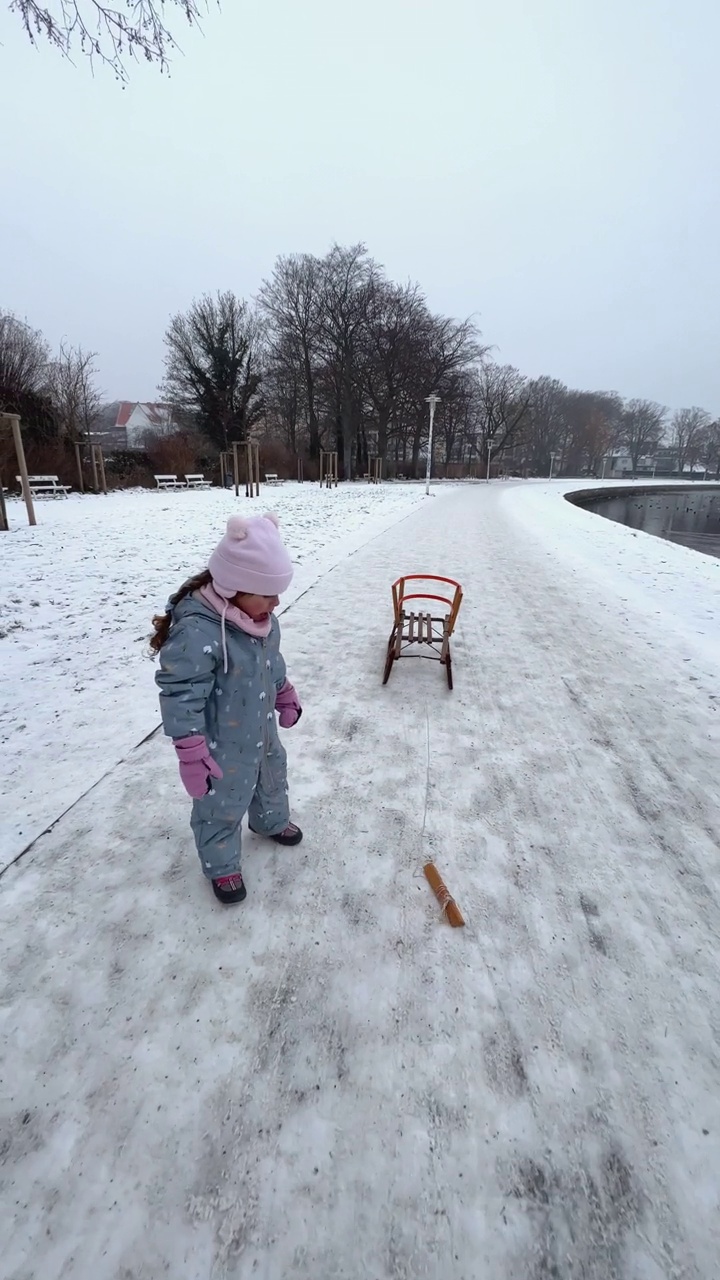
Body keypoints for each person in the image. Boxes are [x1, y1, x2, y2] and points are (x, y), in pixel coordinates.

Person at [150, 512, 303, 905]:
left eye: (277, 592)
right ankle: (221, 864)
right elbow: (180, 692)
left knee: (272, 775)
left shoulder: (262, 618)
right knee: (222, 800)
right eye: (267, 593)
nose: (276, 601)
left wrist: (283, 691)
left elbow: (271, 661)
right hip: (222, 741)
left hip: (262, 727)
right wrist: (190, 751)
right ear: (233, 587)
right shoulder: (198, 632)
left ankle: (270, 822)